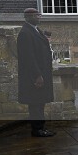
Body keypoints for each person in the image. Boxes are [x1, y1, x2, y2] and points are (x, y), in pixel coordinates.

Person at [17, 8, 55, 137]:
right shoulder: (25, 33)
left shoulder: (36, 30)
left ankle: (41, 127)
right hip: (34, 77)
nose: (39, 16)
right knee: (35, 104)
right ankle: (37, 129)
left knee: (40, 102)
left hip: (41, 73)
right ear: (29, 17)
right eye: (36, 15)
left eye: (39, 14)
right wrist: (37, 75)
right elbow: (28, 57)